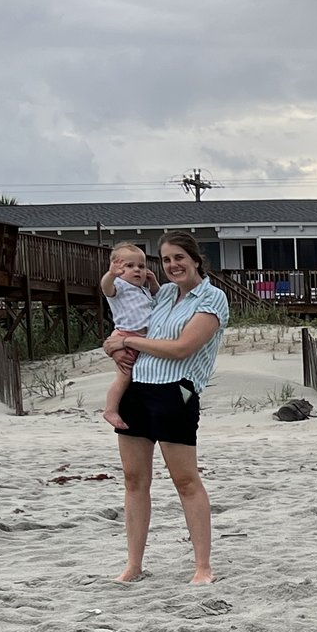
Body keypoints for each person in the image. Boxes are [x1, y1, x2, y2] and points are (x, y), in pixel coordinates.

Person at [105, 230, 227, 585]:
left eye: (179, 258)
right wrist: (114, 344)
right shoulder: (163, 293)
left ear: (195, 260)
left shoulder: (212, 298)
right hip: (138, 388)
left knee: (185, 479)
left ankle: (202, 567)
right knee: (134, 480)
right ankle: (134, 565)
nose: (173, 265)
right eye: (167, 259)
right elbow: (129, 324)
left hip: (179, 390)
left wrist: (126, 341)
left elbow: (181, 348)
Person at [97, 241, 159, 431]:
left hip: (140, 339)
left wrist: (153, 282)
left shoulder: (143, 290)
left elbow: (158, 296)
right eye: (130, 266)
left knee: (135, 376)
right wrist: (111, 274)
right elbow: (106, 289)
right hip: (125, 335)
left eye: (141, 266)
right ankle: (110, 410)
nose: (137, 270)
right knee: (124, 376)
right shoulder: (120, 286)